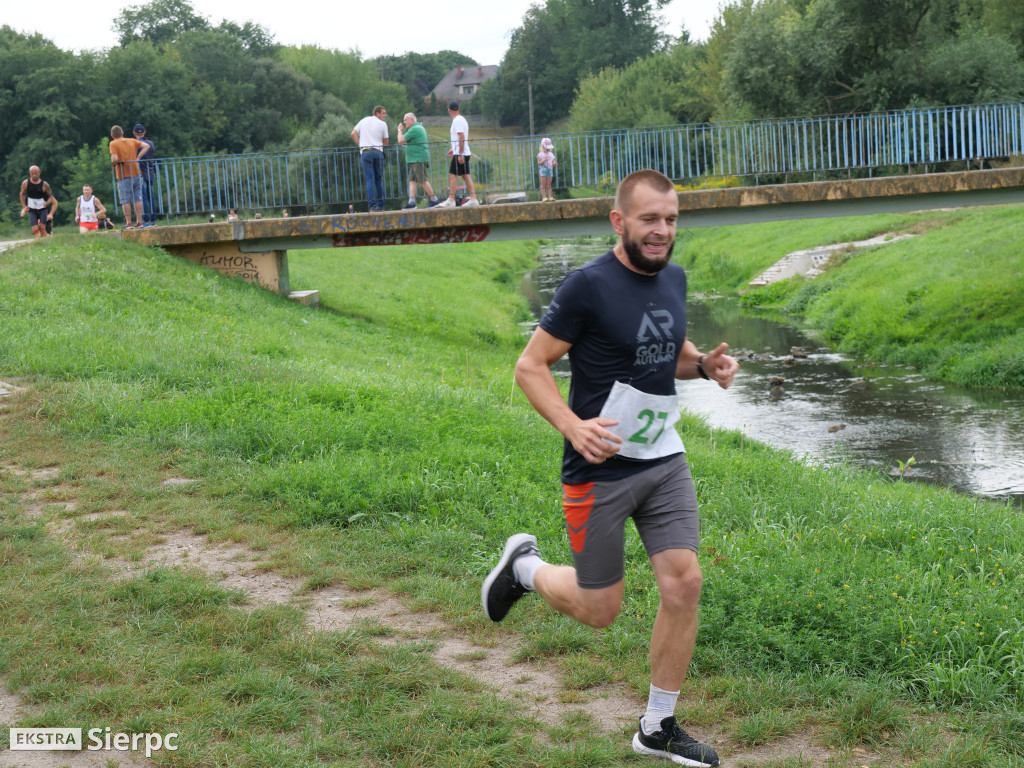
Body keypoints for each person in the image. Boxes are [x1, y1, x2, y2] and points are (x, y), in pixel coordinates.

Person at [482, 169, 738, 768]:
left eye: (671, 219)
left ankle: (657, 725)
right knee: (602, 610)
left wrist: (704, 366)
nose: (662, 231)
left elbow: (662, 347)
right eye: (650, 219)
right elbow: (530, 366)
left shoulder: (673, 277)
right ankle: (524, 568)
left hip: (663, 458)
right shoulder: (586, 286)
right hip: (599, 468)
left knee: (684, 580)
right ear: (619, 222)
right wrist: (573, 426)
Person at [435, 101, 480, 208]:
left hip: (461, 153)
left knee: (452, 175)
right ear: (458, 109)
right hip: (463, 152)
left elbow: (461, 137)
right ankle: (473, 199)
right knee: (465, 176)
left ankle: (451, 200)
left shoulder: (457, 121)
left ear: (449, 110)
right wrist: (454, 149)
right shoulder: (461, 119)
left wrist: (459, 154)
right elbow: (460, 138)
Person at [109, 125, 150, 229]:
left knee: (125, 200)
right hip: (136, 173)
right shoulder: (132, 141)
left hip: (123, 175)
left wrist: (114, 162)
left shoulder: (113, 143)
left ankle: (129, 223)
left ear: (112, 135)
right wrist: (138, 158)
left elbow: (114, 159)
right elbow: (146, 146)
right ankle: (139, 222)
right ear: (122, 133)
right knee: (138, 198)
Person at [397, 112, 440, 209]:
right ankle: (411, 203)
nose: (404, 122)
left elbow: (400, 140)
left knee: (422, 180)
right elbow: (404, 142)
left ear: (412, 120)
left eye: (405, 120)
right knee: (412, 180)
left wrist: (400, 130)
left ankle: (434, 200)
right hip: (414, 158)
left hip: (418, 158)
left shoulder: (415, 129)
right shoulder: (414, 129)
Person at [351, 105, 389, 212]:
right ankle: (381, 205)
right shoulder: (383, 124)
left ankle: (372, 206)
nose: (385, 115)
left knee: (369, 180)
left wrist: (361, 146)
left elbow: (353, 133)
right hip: (378, 153)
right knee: (378, 179)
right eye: (383, 113)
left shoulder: (363, 121)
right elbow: (386, 142)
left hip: (366, 152)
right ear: (377, 113)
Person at [133, 124, 157, 226]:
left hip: (141, 172)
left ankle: (146, 220)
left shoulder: (136, 143)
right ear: (145, 132)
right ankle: (153, 220)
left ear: (134, 133)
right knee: (151, 196)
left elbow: (135, 159)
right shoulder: (151, 143)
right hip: (151, 172)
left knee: (144, 197)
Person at [537, 137, 557, 201]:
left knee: (549, 184)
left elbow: (552, 161)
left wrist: (554, 163)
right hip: (543, 170)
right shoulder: (540, 154)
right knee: (543, 184)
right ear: (543, 146)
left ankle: (549, 197)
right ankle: (544, 197)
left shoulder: (551, 154)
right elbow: (539, 163)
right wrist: (544, 160)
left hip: (549, 170)